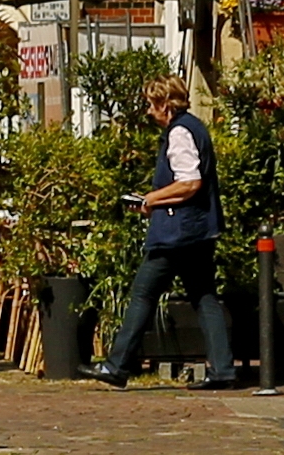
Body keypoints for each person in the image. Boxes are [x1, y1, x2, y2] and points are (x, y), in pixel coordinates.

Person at [83, 77, 239, 389]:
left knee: (143, 293)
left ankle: (117, 365)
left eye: (152, 105)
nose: (149, 111)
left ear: (165, 105)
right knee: (204, 296)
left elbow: (189, 182)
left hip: (176, 235)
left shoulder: (179, 132)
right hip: (199, 230)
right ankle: (222, 369)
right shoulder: (195, 127)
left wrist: (149, 200)